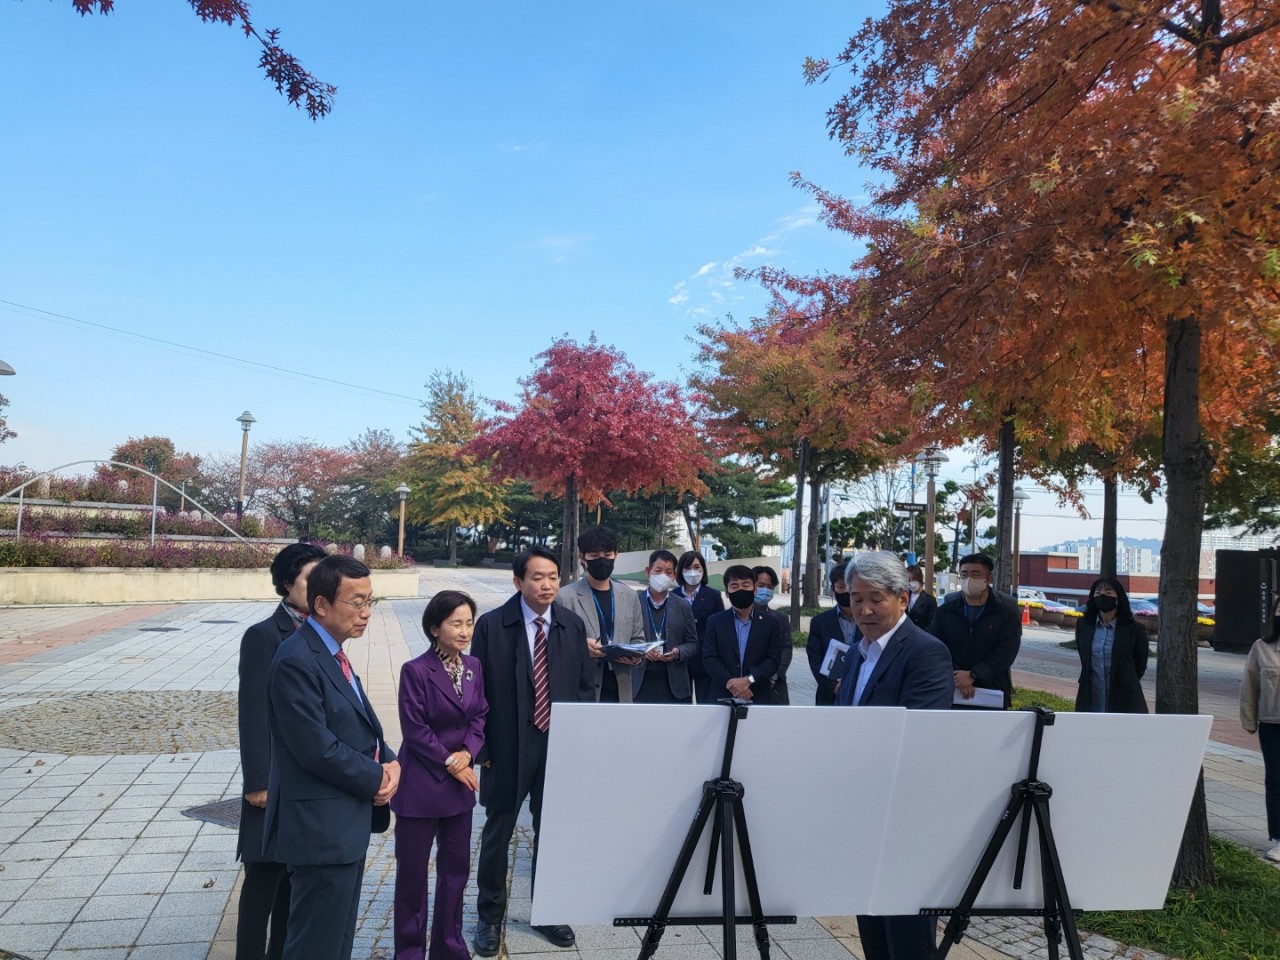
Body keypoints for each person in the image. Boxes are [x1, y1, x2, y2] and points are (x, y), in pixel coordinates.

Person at [265, 555, 399, 960]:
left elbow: (357, 721)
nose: (366, 613)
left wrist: (390, 760)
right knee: (314, 946)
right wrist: (375, 777)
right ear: (321, 604)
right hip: (320, 832)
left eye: (370, 602)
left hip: (345, 825)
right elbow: (316, 748)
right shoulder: (296, 659)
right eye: (356, 603)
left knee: (336, 941)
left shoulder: (332, 652)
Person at [470, 546, 596, 956]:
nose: (547, 584)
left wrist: (577, 741)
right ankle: (490, 917)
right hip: (507, 746)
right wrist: (483, 745)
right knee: (498, 832)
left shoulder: (571, 625)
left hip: (556, 744)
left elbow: (583, 686)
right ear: (518, 582)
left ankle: (548, 910)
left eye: (554, 576)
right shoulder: (492, 626)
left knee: (554, 832)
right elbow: (478, 691)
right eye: (538, 577)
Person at [835, 551, 954, 960]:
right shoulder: (857, 651)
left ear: (903, 598)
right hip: (860, 810)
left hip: (905, 814)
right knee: (871, 922)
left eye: (876, 598)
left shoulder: (926, 651)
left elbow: (920, 734)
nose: (864, 609)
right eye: (855, 598)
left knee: (907, 933)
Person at [236, 542, 326, 960]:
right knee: (263, 879)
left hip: (307, 778)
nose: (319, 587)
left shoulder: (324, 634)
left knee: (294, 879)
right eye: (311, 579)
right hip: (272, 781)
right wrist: (257, 781)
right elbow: (252, 711)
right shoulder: (264, 635)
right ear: (288, 582)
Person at [391, 591, 489, 960]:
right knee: (412, 879)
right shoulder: (415, 671)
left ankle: (449, 947)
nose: (465, 631)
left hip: (459, 790)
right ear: (435, 627)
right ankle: (410, 953)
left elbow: (480, 715)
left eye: (469, 623)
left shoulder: (473, 667)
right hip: (420, 787)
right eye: (456, 623)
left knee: (455, 874)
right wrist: (452, 761)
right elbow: (414, 730)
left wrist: (468, 754)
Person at [558, 525, 646, 702]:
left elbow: (638, 639)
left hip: (621, 688)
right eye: (595, 556)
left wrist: (635, 658)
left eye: (607, 555)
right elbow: (555, 644)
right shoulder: (564, 597)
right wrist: (581, 647)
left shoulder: (629, 596)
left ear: (615, 555)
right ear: (583, 557)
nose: (602, 561)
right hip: (582, 689)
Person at [929, 553, 1022, 708]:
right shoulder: (946, 611)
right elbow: (935, 646)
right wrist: (958, 676)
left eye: (975, 574)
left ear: (988, 578)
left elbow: (1006, 652)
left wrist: (973, 675)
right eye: (964, 575)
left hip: (992, 690)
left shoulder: (1006, 612)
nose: (969, 580)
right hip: (952, 688)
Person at [702, 565, 784, 704]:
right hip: (722, 695)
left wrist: (748, 680)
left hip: (757, 695)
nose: (740, 590)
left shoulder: (771, 623)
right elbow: (710, 658)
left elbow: (773, 660)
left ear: (754, 589)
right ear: (727, 592)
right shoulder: (715, 621)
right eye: (734, 586)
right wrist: (732, 684)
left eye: (745, 585)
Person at [1240, 597, 1280, 863]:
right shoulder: (1262, 647)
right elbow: (1250, 685)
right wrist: (1249, 719)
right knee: (1276, 782)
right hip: (1272, 724)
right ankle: (1278, 838)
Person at [1073, 577, 1149, 713]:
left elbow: (1140, 665)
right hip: (1091, 697)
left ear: (1118, 598)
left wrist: (1124, 679)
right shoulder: (1083, 625)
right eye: (1098, 592)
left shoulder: (1134, 629)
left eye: (1108, 593)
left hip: (1125, 699)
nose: (1102, 595)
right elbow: (1084, 656)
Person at [634, 549, 699, 703]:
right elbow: (624, 638)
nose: (663, 575)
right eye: (658, 570)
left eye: (668, 572)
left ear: (674, 576)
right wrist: (642, 650)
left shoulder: (683, 605)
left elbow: (693, 643)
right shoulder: (634, 602)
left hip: (674, 684)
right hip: (640, 682)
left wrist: (678, 652)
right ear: (648, 572)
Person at [675, 550, 725, 704]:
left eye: (697, 567)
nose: (692, 572)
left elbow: (721, 628)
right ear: (680, 571)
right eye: (687, 567)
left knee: (706, 704)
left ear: (703, 570)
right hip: (681, 659)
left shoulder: (713, 595)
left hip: (705, 660)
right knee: (682, 706)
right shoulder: (673, 595)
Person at [805, 562, 856, 705]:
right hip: (828, 696)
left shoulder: (870, 619)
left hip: (862, 693)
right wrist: (833, 686)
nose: (846, 591)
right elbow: (815, 658)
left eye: (850, 586)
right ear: (833, 589)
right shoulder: (820, 622)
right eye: (841, 586)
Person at [752, 565, 792, 704]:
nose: (766, 590)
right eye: (761, 585)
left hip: (775, 686)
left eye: (770, 587)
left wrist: (774, 675)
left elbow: (786, 649)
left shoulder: (781, 618)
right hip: (748, 685)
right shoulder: (741, 617)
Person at [905, 564, 937, 631]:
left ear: (919, 578)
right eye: (908, 580)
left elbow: (931, 625)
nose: (911, 583)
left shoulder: (930, 600)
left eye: (913, 579)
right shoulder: (904, 597)